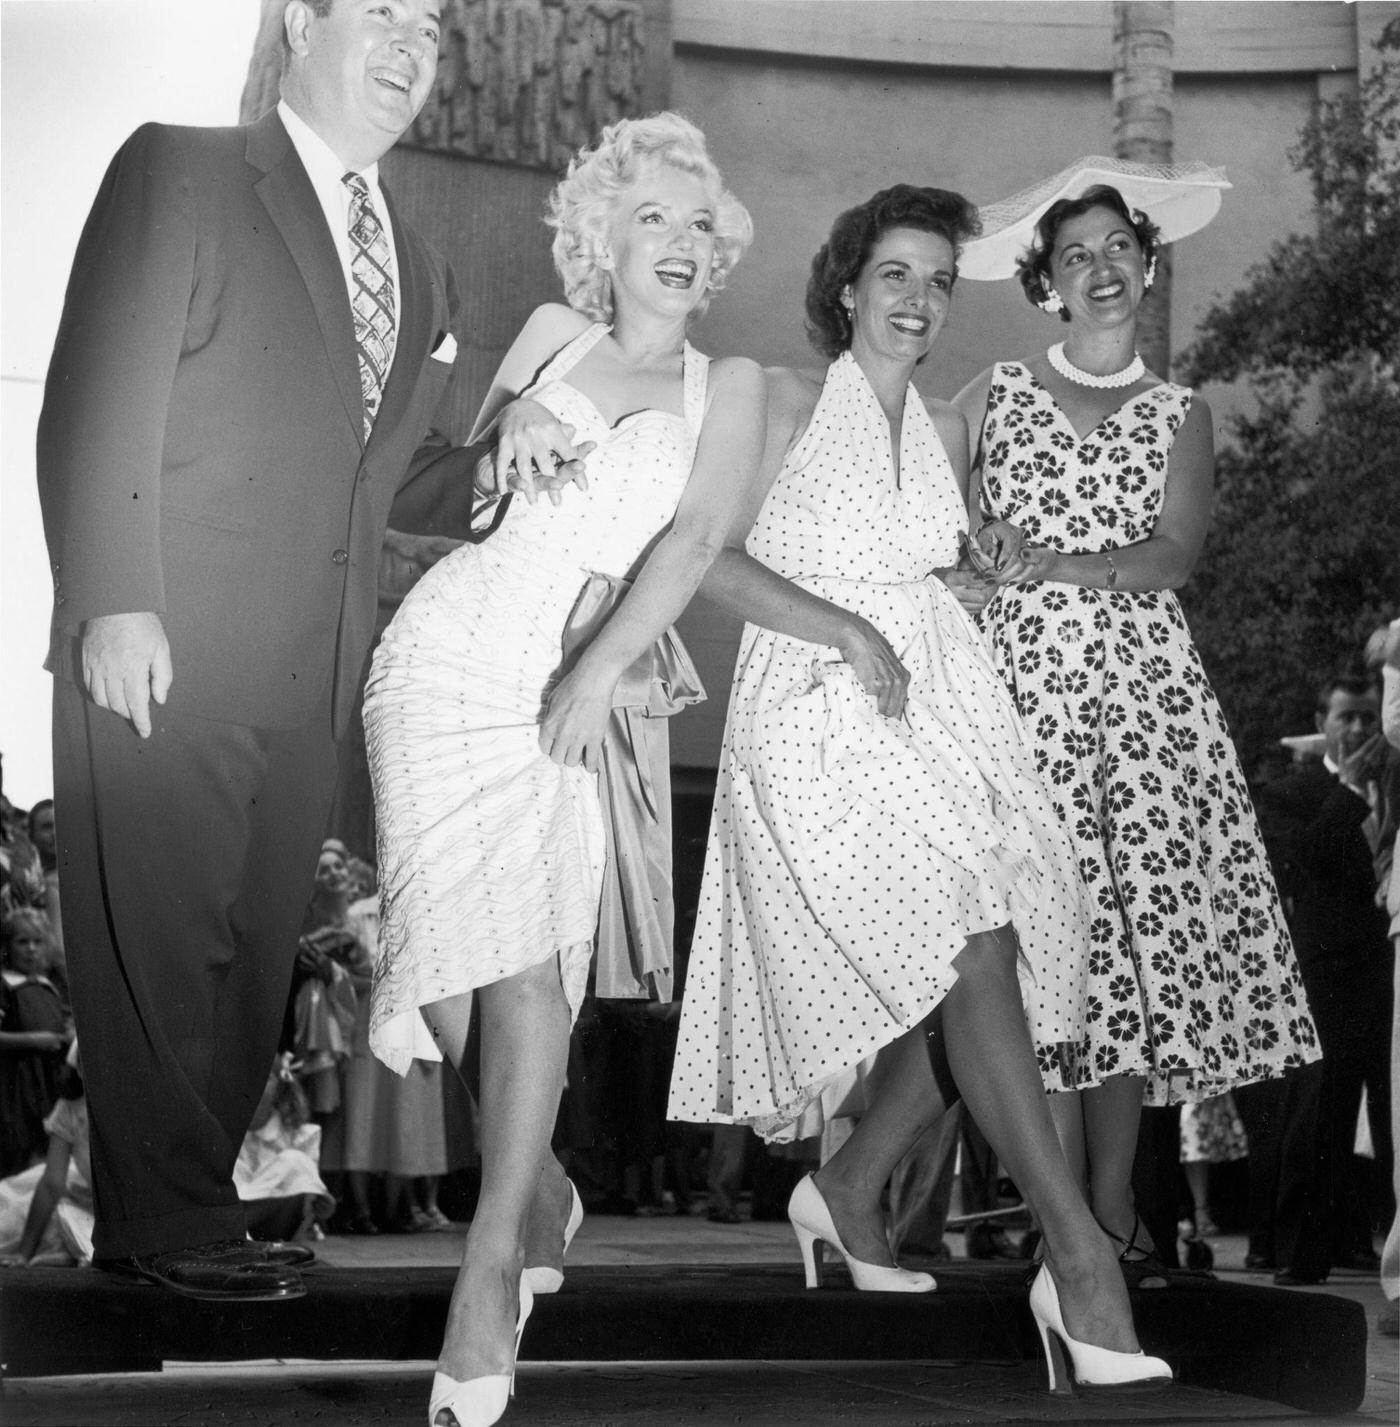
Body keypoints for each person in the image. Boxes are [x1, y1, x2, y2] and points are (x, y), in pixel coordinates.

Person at [668, 184, 1167, 1394]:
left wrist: (971, 573)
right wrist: (845, 628)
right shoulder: (775, 398)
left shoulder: (947, 427)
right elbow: (705, 558)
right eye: (895, 273)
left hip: (937, 709)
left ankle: (843, 1190)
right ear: (845, 285)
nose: (919, 299)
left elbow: (928, 573)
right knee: (974, 949)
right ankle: (1078, 1261)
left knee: (998, 945)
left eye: (940, 280)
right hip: (812, 714)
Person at [36, 0, 493, 1302]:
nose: (412, 43)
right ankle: (161, 1215)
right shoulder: (181, 167)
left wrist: (499, 472)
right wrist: (115, 594)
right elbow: (99, 386)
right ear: (303, 21)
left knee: (247, 962)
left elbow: (388, 480)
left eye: (433, 25)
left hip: (315, 662)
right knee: (161, 943)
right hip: (167, 638)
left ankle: (194, 1197)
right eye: (384, 12)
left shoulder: (418, 253)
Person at [364, 112, 765, 1427]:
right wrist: (506, 431)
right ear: (602, 235)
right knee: (474, 953)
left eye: (701, 224)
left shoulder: (734, 384)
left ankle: (491, 1265)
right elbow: (450, 499)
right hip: (449, 643)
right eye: (652, 215)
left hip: (571, 670)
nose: (681, 242)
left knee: (529, 957)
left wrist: (598, 672)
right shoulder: (551, 332)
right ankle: (528, 1182)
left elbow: (698, 534)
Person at [953, 159, 1319, 1283]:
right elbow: (943, 524)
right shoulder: (992, 392)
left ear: (1146, 264)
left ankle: (1108, 1212)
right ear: (1046, 283)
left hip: (1139, 704)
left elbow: (1172, 553)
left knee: (1119, 953)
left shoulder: (1178, 411)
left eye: (1118, 248)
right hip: (1015, 697)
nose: (1100, 268)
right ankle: (1060, 1212)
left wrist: (1054, 561)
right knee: (1023, 957)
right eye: (1076, 255)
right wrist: (969, 569)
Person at [1253, 675, 1394, 1283]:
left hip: (1386, 962)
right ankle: (1303, 1250)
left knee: (1389, 1110)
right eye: (1348, 718)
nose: (1360, 729)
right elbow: (1303, 857)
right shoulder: (1293, 792)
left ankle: (1382, 1238)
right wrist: (1355, 790)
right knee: (1322, 1107)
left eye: (1369, 717)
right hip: (1330, 967)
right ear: (1323, 722)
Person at [0, 909, 71, 1179]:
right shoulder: (6, 986)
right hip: (16, 1085)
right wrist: (34, 1040)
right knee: (17, 1149)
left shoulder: (46, 986)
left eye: (37, 942)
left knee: (44, 1151)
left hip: (46, 1080)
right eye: (22, 941)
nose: (31, 949)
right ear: (7, 946)